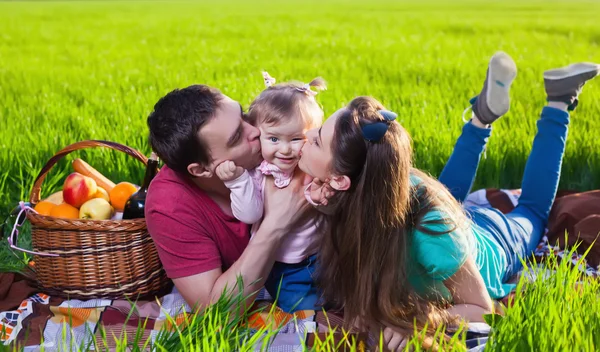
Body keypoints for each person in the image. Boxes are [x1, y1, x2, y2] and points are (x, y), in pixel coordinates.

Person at [297, 51, 600, 350]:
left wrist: (419, 320)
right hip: (439, 222)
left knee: (533, 212)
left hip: (493, 239)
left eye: (318, 139)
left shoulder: (431, 233)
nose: (307, 136)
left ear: (340, 178)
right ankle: (481, 118)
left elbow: (481, 307)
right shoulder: (377, 178)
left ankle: (559, 102)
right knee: (440, 193)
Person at [145, 84, 307, 311]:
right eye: (237, 137)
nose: (256, 131)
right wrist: (275, 225)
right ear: (201, 170)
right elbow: (217, 311)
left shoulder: (276, 146)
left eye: (243, 116)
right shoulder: (169, 205)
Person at [214, 73, 326, 312]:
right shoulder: (258, 174)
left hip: (324, 255)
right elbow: (250, 215)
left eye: (297, 138)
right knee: (305, 309)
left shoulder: (310, 164)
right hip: (285, 267)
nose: (285, 150)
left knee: (344, 296)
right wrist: (238, 182)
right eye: (274, 139)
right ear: (258, 134)